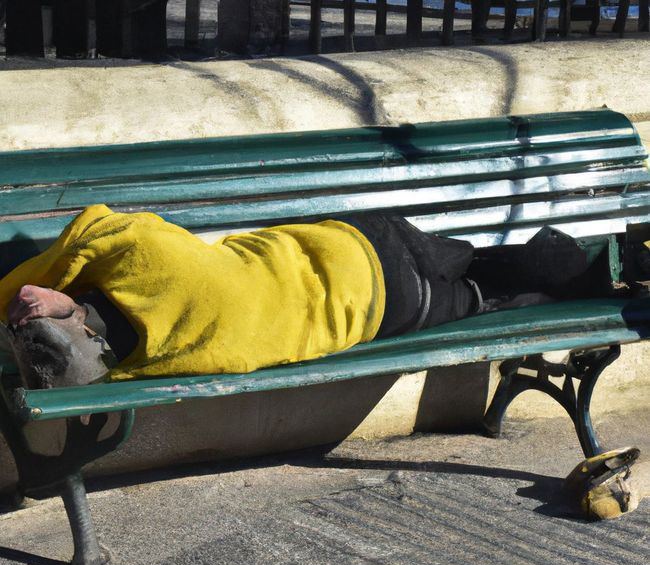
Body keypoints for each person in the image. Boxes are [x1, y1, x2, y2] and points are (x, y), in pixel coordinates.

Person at [0, 204, 601, 387]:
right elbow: (95, 226)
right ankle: (586, 271)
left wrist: (68, 307)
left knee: (481, 296)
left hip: (380, 309)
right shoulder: (144, 253)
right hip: (360, 241)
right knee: (481, 262)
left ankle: (568, 280)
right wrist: (50, 280)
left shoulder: (158, 361)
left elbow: (108, 361)